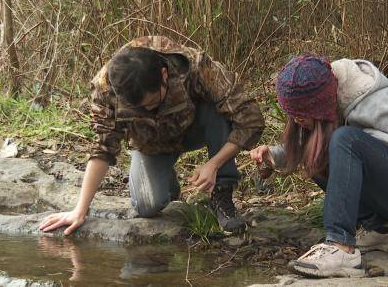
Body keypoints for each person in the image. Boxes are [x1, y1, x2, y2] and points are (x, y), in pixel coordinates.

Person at [250, 54, 388, 278]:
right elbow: (315, 143)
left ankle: (341, 248)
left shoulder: (372, 100)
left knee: (344, 140)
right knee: (326, 147)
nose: (298, 121)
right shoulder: (328, 101)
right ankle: (383, 231)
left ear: (321, 102)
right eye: (294, 116)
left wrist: (362, 139)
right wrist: (275, 155)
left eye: (302, 116)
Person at [40, 36, 265, 234]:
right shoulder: (106, 89)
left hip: (195, 127)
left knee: (220, 111)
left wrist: (215, 164)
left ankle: (222, 195)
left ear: (164, 75)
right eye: (140, 108)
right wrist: (79, 211)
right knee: (147, 206)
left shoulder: (195, 66)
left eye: (152, 102)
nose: (148, 110)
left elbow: (250, 119)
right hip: (151, 144)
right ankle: (167, 182)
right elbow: (103, 148)